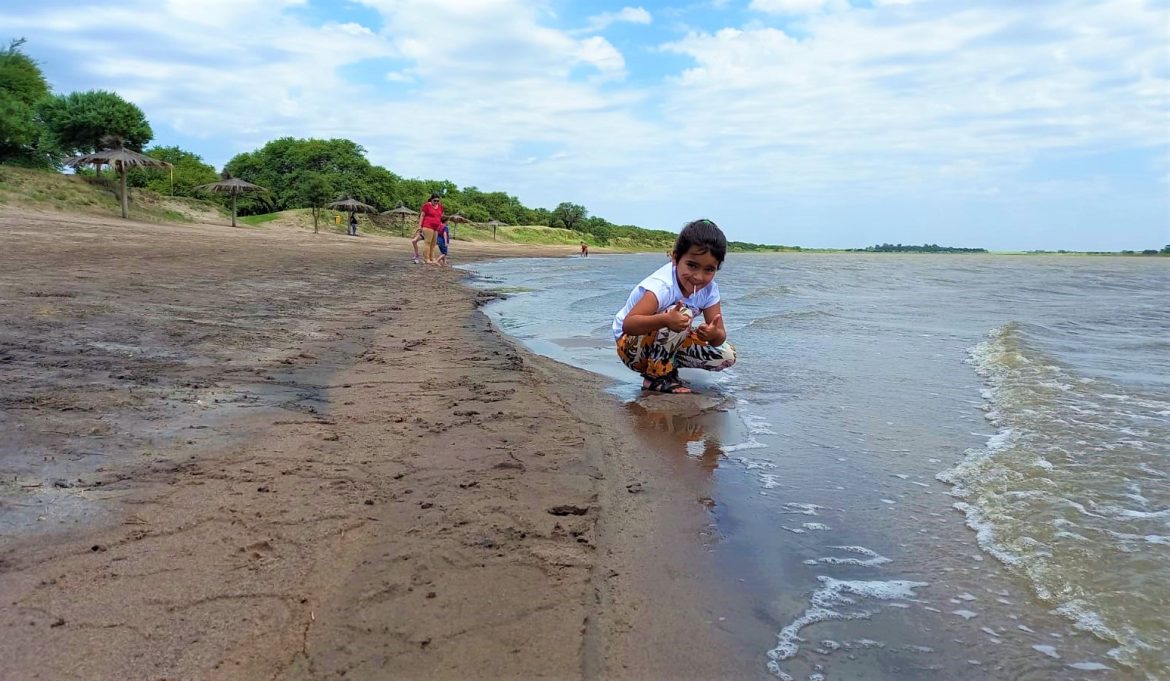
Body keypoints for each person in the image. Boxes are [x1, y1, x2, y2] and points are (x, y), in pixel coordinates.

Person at [612, 219, 736, 393]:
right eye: (692, 265)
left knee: (726, 355)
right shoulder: (662, 286)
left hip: (661, 344)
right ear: (675, 258)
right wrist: (665, 319)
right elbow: (629, 324)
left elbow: (719, 336)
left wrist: (713, 333)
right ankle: (656, 378)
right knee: (680, 314)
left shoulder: (709, 290)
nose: (698, 277)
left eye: (709, 269)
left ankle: (667, 369)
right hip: (631, 349)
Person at [418, 192, 443, 264]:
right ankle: (426, 259)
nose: (436, 202)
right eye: (434, 200)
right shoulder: (426, 206)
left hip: (436, 227)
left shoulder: (440, 206)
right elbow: (422, 215)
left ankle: (432, 258)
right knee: (428, 242)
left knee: (433, 244)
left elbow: (440, 216)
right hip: (427, 225)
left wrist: (440, 225)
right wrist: (419, 226)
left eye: (437, 201)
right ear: (431, 200)